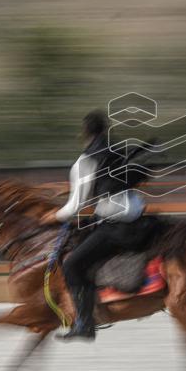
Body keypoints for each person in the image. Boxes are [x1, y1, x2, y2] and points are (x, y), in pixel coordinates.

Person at [40, 110, 153, 341]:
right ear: (105, 130)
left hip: (116, 227)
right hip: (139, 218)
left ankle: (84, 324)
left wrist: (53, 216)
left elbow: (74, 209)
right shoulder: (116, 150)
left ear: (84, 132)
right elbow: (107, 186)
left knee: (72, 265)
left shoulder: (84, 161)